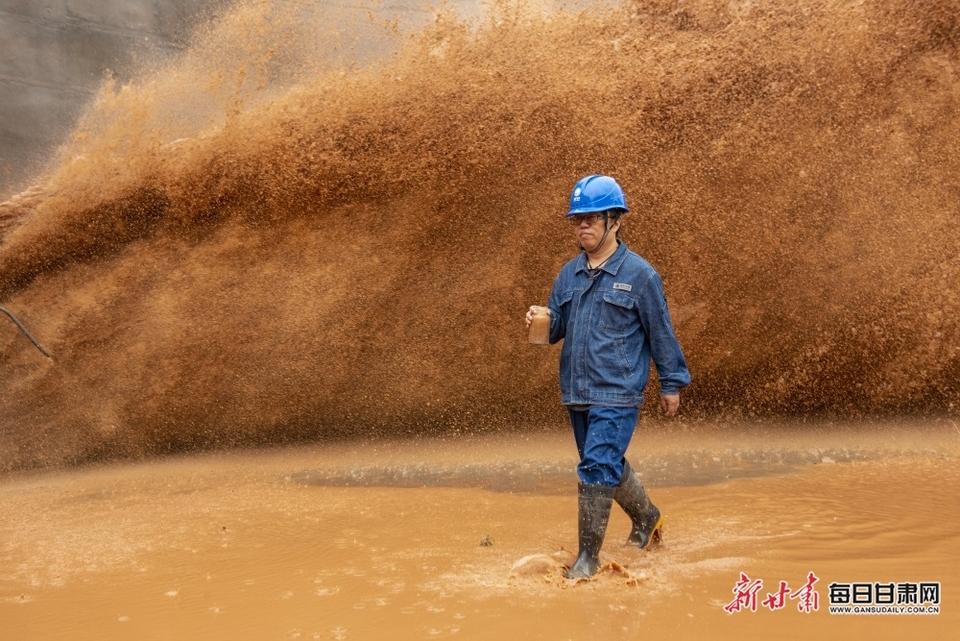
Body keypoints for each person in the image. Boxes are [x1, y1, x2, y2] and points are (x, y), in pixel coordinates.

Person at [525, 174, 691, 579]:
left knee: (597, 465)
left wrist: (672, 383)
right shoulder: (568, 274)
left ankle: (587, 559)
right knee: (602, 461)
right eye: (577, 219)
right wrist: (540, 321)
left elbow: (660, 330)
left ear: (615, 220)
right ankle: (648, 518)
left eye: (592, 218)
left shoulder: (640, 275)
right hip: (577, 390)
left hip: (618, 389)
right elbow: (558, 329)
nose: (583, 225)